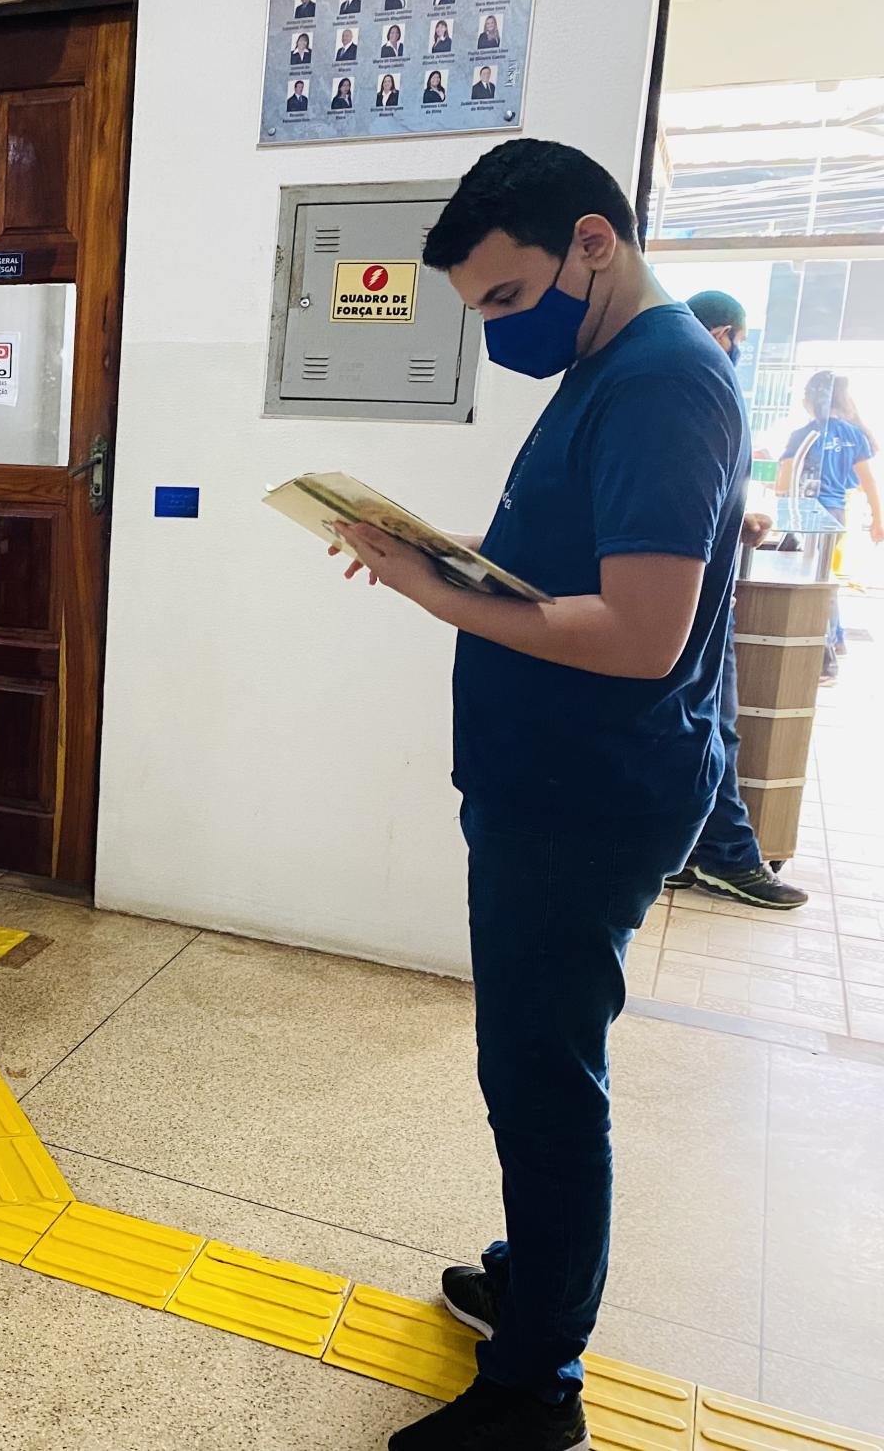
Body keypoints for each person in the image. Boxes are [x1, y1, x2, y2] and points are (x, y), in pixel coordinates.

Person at [333, 138, 746, 1451]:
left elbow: (639, 635)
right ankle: (536, 1277)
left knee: (544, 1079)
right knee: (532, 1065)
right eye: (479, 316)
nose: (503, 332)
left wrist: (427, 585)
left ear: (593, 243)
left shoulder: (666, 382)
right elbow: (578, 570)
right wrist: (443, 559)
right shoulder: (607, 367)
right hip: (548, 783)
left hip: (590, 797)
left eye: (510, 302)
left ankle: (535, 1392)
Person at [659, 291, 809, 909]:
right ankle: (728, 856)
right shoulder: (695, 381)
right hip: (693, 594)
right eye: (738, 339)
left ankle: (690, 850)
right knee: (711, 721)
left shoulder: (669, 379)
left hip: (688, 584)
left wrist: (737, 518)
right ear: (725, 332)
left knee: (692, 720)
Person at [777, 370, 882, 682]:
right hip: (836, 514)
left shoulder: (804, 434)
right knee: (824, 576)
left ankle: (827, 658)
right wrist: (878, 519)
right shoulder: (854, 434)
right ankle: (836, 639)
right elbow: (869, 482)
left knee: (815, 581)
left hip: (808, 514)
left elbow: (784, 483)